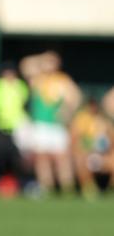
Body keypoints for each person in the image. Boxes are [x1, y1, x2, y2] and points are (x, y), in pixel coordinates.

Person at [27, 51, 81, 195]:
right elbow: (26, 65)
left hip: (56, 125)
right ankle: (46, 186)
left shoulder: (62, 80)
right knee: (41, 157)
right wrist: (42, 57)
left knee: (62, 157)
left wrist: (67, 112)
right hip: (40, 124)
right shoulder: (38, 78)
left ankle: (67, 186)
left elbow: (75, 98)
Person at [0, 62, 30, 195]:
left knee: (18, 157)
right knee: (0, 156)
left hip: (17, 127)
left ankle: (20, 183)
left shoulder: (21, 86)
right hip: (1, 126)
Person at [70, 97, 114, 197]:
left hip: (102, 154)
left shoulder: (103, 121)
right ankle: (89, 189)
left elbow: (111, 139)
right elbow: (75, 140)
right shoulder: (81, 120)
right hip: (87, 154)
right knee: (81, 160)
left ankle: (111, 188)